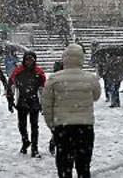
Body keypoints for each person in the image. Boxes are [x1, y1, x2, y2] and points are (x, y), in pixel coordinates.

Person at [42, 44, 101, 178]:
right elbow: (96, 96)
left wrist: (51, 124)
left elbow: (46, 104)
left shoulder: (54, 79)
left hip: (63, 126)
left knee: (64, 165)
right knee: (83, 165)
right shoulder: (90, 78)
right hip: (85, 126)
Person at [9, 51, 46, 158]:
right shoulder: (18, 71)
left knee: (34, 126)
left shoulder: (39, 72)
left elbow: (43, 89)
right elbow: (11, 86)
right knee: (22, 125)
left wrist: (43, 104)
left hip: (34, 101)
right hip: (22, 101)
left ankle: (34, 148)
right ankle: (25, 141)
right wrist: (10, 101)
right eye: (27, 59)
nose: (29, 62)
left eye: (31, 60)